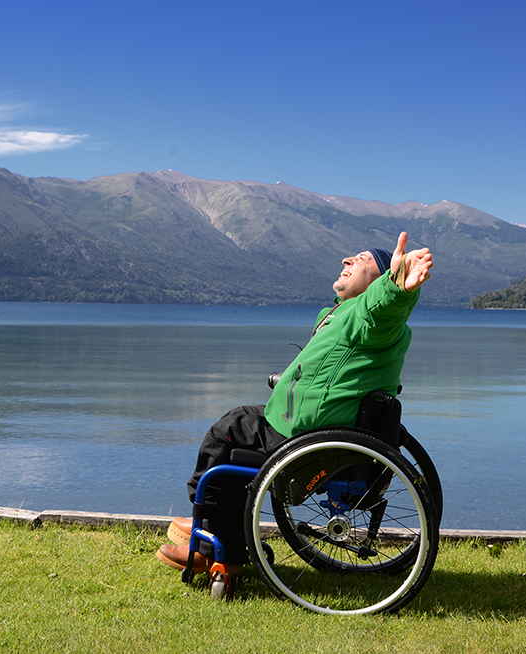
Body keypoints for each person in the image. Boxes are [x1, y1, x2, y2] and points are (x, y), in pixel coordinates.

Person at [156, 230, 433, 573]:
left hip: (308, 437)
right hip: (304, 424)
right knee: (237, 419)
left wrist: (397, 286)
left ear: (378, 280)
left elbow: (384, 307)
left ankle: (217, 546)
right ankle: (216, 525)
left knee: (226, 435)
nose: (347, 259)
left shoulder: (371, 318)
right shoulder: (342, 316)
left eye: (361, 259)